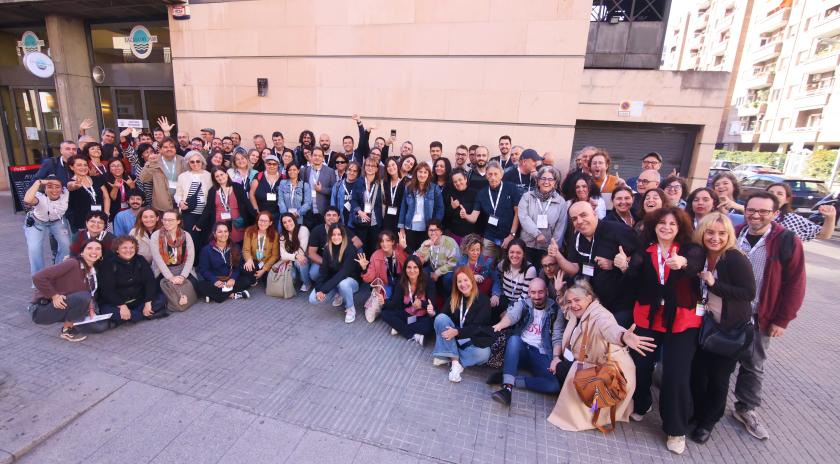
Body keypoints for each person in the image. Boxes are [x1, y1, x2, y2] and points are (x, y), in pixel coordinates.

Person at [615, 207, 704, 455]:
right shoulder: (646, 252)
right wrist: (624, 267)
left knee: (676, 374)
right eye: (661, 223)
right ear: (654, 226)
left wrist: (684, 263)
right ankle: (642, 403)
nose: (666, 227)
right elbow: (632, 281)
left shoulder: (690, 250)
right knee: (641, 365)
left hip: (681, 320)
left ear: (680, 228)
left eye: (672, 224)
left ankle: (676, 429)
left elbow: (696, 263)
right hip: (649, 317)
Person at [732, 192, 806, 441]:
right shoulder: (734, 232)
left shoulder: (786, 241)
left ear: (775, 213)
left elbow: (795, 283)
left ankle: (746, 409)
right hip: (728, 314)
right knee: (718, 359)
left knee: (753, 364)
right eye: (751, 209)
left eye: (763, 211)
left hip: (759, 315)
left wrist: (782, 319)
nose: (756, 215)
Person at [547, 281, 652, 431]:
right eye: (570, 301)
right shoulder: (580, 311)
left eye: (577, 300)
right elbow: (567, 309)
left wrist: (623, 337)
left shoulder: (599, 316)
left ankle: (594, 409)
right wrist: (559, 293)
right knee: (561, 371)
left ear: (589, 298)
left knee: (560, 369)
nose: (573, 305)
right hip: (597, 367)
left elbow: (610, 328)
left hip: (612, 375)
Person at [689, 213, 756, 444]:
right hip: (703, 325)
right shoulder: (700, 255)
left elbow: (749, 293)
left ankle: (708, 421)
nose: (715, 238)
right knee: (698, 374)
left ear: (729, 235)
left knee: (718, 379)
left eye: (721, 233)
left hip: (729, 330)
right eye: (710, 232)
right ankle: (697, 414)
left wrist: (714, 284)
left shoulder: (735, 258)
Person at [555, 201, 640, 327]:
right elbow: (574, 268)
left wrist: (618, 263)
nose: (579, 221)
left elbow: (641, 256)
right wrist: (557, 254)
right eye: (574, 219)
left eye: (583, 215)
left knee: (616, 343)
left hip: (620, 305)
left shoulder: (618, 230)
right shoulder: (577, 238)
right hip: (593, 306)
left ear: (594, 214)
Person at [488, 278, 564, 405]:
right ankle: (507, 389)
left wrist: (556, 357)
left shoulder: (556, 310)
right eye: (533, 292)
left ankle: (510, 379)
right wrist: (500, 325)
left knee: (554, 385)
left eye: (540, 292)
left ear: (546, 292)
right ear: (529, 293)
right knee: (514, 340)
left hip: (541, 353)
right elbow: (512, 316)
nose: (537, 296)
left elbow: (557, 336)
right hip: (521, 348)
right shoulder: (524, 304)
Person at [29, 239, 103, 342]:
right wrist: (54, 295)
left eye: (98, 249)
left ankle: (72, 323)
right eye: (89, 248)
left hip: (61, 306)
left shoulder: (92, 271)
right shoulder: (72, 263)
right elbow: (38, 277)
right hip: (41, 309)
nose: (94, 252)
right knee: (83, 297)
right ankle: (67, 330)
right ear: (82, 252)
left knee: (97, 323)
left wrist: (91, 310)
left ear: (101, 254)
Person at [429, 266, 494, 383]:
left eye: (466, 280)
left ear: (472, 281)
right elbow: (442, 319)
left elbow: (478, 328)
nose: (463, 284)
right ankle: (455, 362)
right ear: (456, 284)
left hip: (470, 341)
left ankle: (447, 354)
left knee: (485, 354)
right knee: (440, 318)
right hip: (453, 338)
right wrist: (433, 313)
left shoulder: (484, 301)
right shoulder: (454, 298)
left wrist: (458, 331)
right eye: (459, 281)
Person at [98, 236, 168, 324]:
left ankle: (130, 317)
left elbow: (149, 281)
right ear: (117, 250)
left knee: (161, 298)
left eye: (132, 247)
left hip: (139, 300)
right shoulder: (109, 264)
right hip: (118, 303)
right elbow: (107, 290)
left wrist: (148, 302)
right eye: (124, 248)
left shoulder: (140, 260)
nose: (129, 250)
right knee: (108, 311)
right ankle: (144, 315)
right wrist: (122, 306)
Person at [466, 161, 521, 261]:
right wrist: (465, 215)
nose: (493, 177)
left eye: (496, 174)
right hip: (490, 236)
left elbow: (518, 212)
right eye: (490, 174)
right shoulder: (482, 193)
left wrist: (511, 235)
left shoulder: (511, 188)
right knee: (485, 263)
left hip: (508, 235)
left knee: (506, 265)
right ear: (486, 175)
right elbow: (474, 217)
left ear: (501, 175)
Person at [308, 224, 360, 323]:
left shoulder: (350, 248)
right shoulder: (328, 249)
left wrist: (324, 290)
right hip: (335, 281)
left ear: (343, 235)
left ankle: (350, 308)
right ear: (330, 236)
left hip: (351, 281)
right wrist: (319, 289)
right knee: (313, 299)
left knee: (343, 284)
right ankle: (339, 293)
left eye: (339, 234)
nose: (336, 237)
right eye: (333, 234)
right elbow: (323, 272)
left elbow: (343, 273)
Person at [518, 165, 567, 268]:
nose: (546, 182)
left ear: (555, 183)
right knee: (526, 272)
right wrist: (537, 234)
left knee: (542, 277)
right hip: (527, 244)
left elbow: (561, 226)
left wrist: (554, 247)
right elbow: (523, 217)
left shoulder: (561, 202)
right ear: (538, 180)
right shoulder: (527, 196)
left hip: (547, 248)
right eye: (543, 178)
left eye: (550, 179)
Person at [380, 255, 436, 344]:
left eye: (415, 267)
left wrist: (422, 304)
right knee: (384, 314)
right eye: (409, 267)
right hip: (409, 315)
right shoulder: (401, 282)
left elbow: (432, 304)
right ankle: (414, 335)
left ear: (420, 269)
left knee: (429, 326)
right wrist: (384, 302)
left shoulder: (427, 281)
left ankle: (400, 327)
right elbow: (395, 303)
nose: (412, 270)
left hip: (422, 317)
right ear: (405, 269)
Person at [23, 176, 71, 279]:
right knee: (34, 249)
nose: (54, 190)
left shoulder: (66, 193)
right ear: (44, 188)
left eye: (57, 187)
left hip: (58, 221)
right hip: (37, 222)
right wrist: (38, 182)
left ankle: (58, 273)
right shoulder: (39, 197)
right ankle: (39, 280)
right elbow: (27, 199)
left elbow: (72, 185)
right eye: (50, 187)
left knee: (66, 246)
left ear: (62, 188)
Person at [151, 210, 199, 310]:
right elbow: (158, 259)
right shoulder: (156, 235)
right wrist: (170, 277)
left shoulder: (186, 235)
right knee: (160, 296)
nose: (167, 223)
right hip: (163, 271)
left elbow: (190, 258)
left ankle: (181, 299)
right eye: (165, 220)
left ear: (178, 221)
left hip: (182, 269)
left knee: (197, 286)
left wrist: (182, 276)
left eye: (171, 220)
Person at [197, 222, 252, 302]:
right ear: (214, 234)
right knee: (200, 286)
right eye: (220, 232)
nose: (223, 234)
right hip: (216, 280)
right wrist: (214, 280)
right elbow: (203, 270)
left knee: (247, 281)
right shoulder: (206, 250)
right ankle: (233, 294)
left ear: (228, 233)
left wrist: (233, 278)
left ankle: (216, 296)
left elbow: (238, 266)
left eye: (225, 231)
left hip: (230, 279)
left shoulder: (235, 247)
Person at [766, 182, 836, 241]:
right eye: (770, 192)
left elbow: (823, 235)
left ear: (787, 200)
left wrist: (830, 217)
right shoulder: (755, 213)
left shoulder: (791, 220)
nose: (774, 195)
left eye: (780, 194)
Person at [399, 162, 444, 252]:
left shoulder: (434, 189)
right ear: (416, 173)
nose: (422, 175)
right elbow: (403, 207)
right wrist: (401, 227)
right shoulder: (409, 187)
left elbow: (440, 208)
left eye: (425, 172)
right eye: (420, 172)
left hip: (426, 228)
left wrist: (435, 227)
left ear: (429, 174)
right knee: (410, 253)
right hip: (410, 227)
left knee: (424, 254)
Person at [201, 168, 254, 245]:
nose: (220, 177)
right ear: (214, 179)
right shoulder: (212, 191)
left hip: (237, 223)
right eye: (217, 176)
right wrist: (199, 223)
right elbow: (208, 209)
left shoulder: (237, 187)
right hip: (220, 223)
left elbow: (247, 203)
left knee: (237, 246)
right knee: (221, 244)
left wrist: (256, 216)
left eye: (221, 174)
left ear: (226, 174)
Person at [490, 238, 537, 321]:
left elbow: (525, 296)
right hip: (504, 297)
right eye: (511, 252)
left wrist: (509, 310)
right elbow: (496, 277)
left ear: (524, 254)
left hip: (519, 302)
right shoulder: (504, 263)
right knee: (490, 310)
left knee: (507, 319)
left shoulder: (530, 270)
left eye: (518, 252)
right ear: (508, 253)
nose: (514, 255)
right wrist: (496, 293)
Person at [139, 137, 187, 212]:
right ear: (160, 149)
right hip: (161, 204)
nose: (169, 149)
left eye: (172, 147)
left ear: (175, 149)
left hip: (180, 202)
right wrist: (150, 164)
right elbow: (143, 179)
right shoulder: (154, 161)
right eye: (165, 147)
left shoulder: (182, 160)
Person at [414, 219, 459, 299]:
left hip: (449, 270)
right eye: (431, 230)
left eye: (436, 230)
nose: (433, 233)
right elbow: (417, 260)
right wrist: (425, 248)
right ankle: (428, 299)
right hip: (433, 268)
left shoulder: (449, 243)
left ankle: (449, 299)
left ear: (441, 232)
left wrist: (438, 272)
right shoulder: (427, 243)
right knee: (422, 273)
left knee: (448, 278)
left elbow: (454, 263)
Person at [175, 151, 212, 247]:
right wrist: (180, 202)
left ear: (202, 162)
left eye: (198, 161)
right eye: (192, 162)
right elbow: (178, 194)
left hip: (204, 214)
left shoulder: (209, 176)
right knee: (191, 240)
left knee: (204, 240)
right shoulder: (182, 176)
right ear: (188, 163)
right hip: (188, 214)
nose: (195, 164)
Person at [358, 230, 408, 298]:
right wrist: (364, 269)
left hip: (401, 283)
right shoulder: (375, 255)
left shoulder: (400, 251)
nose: (384, 244)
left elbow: (415, 263)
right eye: (382, 241)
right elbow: (369, 279)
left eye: (388, 240)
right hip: (385, 284)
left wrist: (405, 247)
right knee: (385, 299)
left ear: (393, 242)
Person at [66, 154, 109, 232]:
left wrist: (106, 214)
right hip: (82, 223)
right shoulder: (70, 182)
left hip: (100, 220)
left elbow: (106, 197)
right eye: (79, 165)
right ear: (71, 167)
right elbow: (70, 186)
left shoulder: (96, 179)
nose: (83, 167)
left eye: (85, 165)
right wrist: (75, 185)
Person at [351, 158, 383, 255]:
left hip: (374, 221)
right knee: (362, 247)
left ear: (377, 169)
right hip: (362, 220)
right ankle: (362, 268)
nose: (370, 168)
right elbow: (354, 200)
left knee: (374, 246)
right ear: (364, 167)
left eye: (373, 166)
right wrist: (359, 211)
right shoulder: (358, 182)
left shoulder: (380, 183)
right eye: (367, 165)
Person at [301, 147, 337, 229]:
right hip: (308, 211)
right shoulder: (304, 171)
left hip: (323, 211)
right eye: (315, 155)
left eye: (320, 156)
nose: (317, 157)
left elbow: (334, 191)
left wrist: (321, 190)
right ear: (311, 156)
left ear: (323, 158)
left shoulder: (330, 171)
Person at [241, 211, 281, 286]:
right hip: (254, 261)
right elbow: (246, 249)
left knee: (269, 284)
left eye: (266, 221)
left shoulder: (275, 235)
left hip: (267, 262)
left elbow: (275, 256)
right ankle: (253, 279)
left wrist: (264, 270)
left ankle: (261, 276)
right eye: (261, 220)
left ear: (270, 223)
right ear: (257, 221)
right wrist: (249, 260)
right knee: (247, 269)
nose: (262, 223)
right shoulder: (249, 231)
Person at [276, 213, 311, 291]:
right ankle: (297, 278)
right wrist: (294, 256)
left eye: (289, 221)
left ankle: (307, 283)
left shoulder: (303, 230)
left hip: (306, 259)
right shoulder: (283, 236)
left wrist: (291, 256)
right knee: (292, 276)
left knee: (300, 261)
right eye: (284, 222)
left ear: (294, 220)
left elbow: (301, 253)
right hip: (291, 260)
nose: (287, 224)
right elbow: (283, 255)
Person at [442, 168, 477, 244]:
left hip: (471, 236)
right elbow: (445, 217)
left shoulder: (474, 194)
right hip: (454, 235)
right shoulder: (450, 194)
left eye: (460, 180)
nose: (458, 183)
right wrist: (452, 208)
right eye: (455, 182)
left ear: (465, 179)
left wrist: (466, 215)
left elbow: (479, 217)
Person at [250, 154, 283, 220]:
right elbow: (251, 194)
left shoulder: (283, 178)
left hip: (278, 214)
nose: (271, 166)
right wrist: (256, 209)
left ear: (278, 165)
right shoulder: (259, 176)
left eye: (274, 164)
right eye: (269, 164)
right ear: (265, 164)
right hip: (261, 213)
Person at [331, 161, 361, 227]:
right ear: (346, 171)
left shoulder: (361, 186)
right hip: (341, 222)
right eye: (349, 170)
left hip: (356, 222)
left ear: (358, 173)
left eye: (355, 171)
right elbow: (333, 204)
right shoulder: (337, 185)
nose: (351, 173)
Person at [382, 157, 405, 233]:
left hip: (400, 218)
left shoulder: (405, 182)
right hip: (387, 217)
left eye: (393, 164)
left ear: (397, 165)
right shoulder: (385, 183)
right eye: (388, 166)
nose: (391, 167)